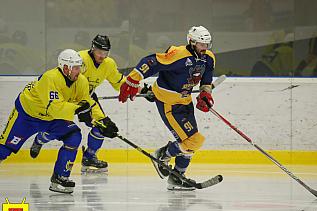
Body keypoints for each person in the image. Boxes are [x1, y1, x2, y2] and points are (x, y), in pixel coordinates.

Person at [0, 49, 117, 193]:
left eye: (80, 67)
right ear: (65, 67)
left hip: (51, 120)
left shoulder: (80, 80)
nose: (79, 71)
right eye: (75, 67)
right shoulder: (50, 78)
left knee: (73, 135)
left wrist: (103, 120)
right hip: (26, 116)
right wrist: (77, 109)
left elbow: (88, 101)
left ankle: (60, 177)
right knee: (4, 150)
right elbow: (54, 108)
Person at [118, 26, 215, 191]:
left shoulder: (209, 58)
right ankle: (163, 155)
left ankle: (177, 177)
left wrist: (206, 94)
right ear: (191, 42)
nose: (204, 48)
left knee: (191, 142)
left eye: (207, 44)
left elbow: (206, 80)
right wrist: (132, 80)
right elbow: (151, 61)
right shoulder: (178, 54)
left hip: (185, 102)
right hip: (168, 102)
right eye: (201, 44)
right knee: (193, 140)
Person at [30, 35, 122, 173]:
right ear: (93, 48)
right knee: (57, 130)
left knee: (103, 125)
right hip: (65, 100)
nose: (102, 56)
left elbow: (118, 82)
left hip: (87, 100)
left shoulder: (109, 64)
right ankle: (40, 139)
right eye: (99, 52)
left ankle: (89, 157)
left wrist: (138, 88)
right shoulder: (80, 59)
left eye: (105, 53)